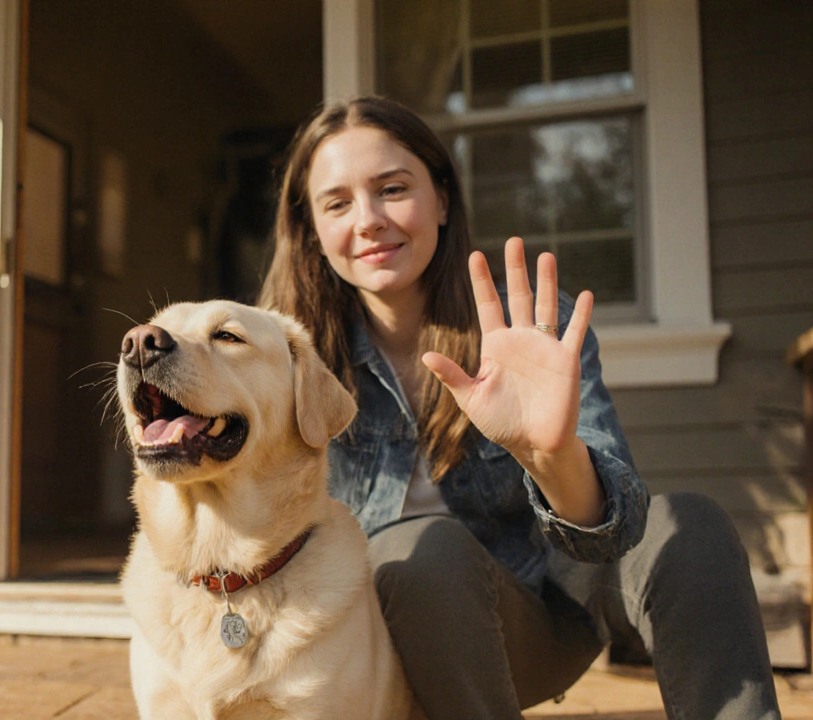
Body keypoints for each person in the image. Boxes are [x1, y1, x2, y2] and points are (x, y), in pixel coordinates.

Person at [258, 95, 781, 719]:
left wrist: (551, 452)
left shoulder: (528, 326)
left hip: (545, 617)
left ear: (443, 199)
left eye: (392, 188)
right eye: (337, 202)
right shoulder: (285, 361)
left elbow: (614, 531)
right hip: (381, 654)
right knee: (421, 550)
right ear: (312, 228)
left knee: (686, 521)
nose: (368, 219)